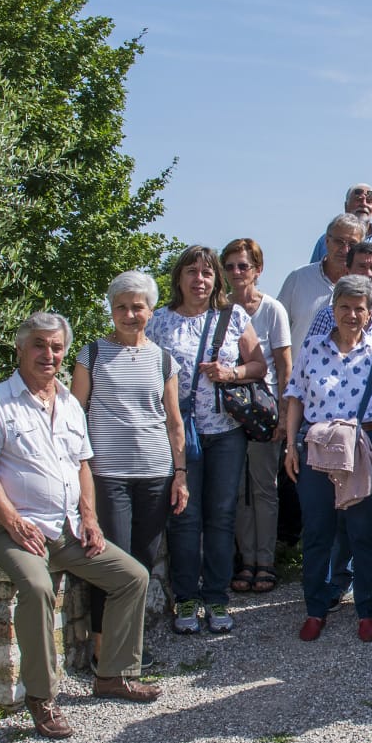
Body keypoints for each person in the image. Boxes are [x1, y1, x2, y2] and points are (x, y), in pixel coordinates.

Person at [0, 312, 161, 740]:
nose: (48, 354)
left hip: (66, 528)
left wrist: (89, 517)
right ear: (20, 348)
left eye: (56, 347)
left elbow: (82, 466)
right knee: (37, 588)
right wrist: (14, 521)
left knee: (132, 576)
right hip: (7, 529)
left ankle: (113, 674)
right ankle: (42, 697)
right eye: (39, 344)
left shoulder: (71, 403)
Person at [72, 271, 188, 673]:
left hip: (155, 473)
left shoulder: (163, 359)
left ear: (150, 311)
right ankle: (103, 649)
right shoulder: (92, 355)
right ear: (111, 310)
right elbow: (75, 416)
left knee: (140, 563)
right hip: (108, 474)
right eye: (121, 306)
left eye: (137, 306)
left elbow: (174, 421)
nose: (128, 313)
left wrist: (180, 473)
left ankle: (131, 649)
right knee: (110, 561)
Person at [147, 245, 266, 635]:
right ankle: (185, 597)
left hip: (224, 432)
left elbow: (258, 365)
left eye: (207, 273)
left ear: (216, 280)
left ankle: (216, 596)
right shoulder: (158, 322)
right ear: (178, 277)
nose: (200, 280)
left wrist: (230, 374)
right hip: (178, 433)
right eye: (192, 272)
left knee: (221, 516)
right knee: (184, 516)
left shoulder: (232, 318)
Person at [283, 275, 372, 644]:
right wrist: (290, 445)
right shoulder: (312, 348)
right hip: (317, 444)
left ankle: (368, 611)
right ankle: (315, 608)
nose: (352, 314)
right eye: (345, 307)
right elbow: (295, 397)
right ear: (333, 309)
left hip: (367, 443)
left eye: (360, 308)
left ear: (370, 313)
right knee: (318, 531)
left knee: (364, 532)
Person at [303, 241, 372, 613]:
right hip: (331, 436)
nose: (369, 274)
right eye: (362, 267)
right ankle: (339, 582)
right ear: (348, 270)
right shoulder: (327, 314)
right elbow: (311, 367)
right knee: (337, 515)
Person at [221, 238, 291, 594]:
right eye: (231, 266)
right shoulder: (217, 309)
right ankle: (245, 559)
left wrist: (284, 416)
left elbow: (284, 366)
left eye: (243, 266)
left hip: (263, 411)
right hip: (225, 413)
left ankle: (265, 561)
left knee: (264, 488)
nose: (237, 272)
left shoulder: (271, 309)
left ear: (257, 270)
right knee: (236, 489)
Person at [277, 213, 361, 353]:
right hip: (299, 372)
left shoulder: (367, 289)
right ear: (327, 241)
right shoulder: (298, 278)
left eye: (352, 244)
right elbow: (277, 331)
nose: (345, 250)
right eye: (339, 241)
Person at [308, 182, 372, 295]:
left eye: (369, 201)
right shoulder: (328, 239)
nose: (364, 204)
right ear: (346, 206)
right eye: (358, 200)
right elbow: (313, 275)